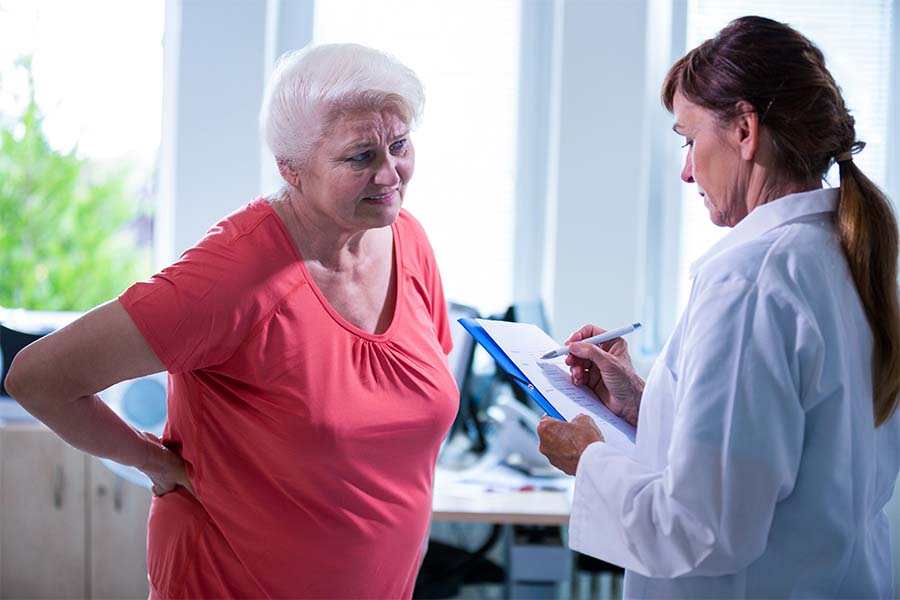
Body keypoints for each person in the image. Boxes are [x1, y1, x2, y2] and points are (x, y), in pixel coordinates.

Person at [5, 43, 459, 598]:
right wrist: (152, 460)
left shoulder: (406, 239)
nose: (390, 174)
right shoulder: (229, 276)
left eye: (399, 145)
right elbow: (38, 377)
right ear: (290, 169)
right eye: (360, 156)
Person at [537, 15, 900, 598]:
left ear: (745, 130)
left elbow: (701, 530)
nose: (685, 170)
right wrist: (642, 403)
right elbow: (782, 449)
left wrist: (590, 460)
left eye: (688, 138)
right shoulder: (846, 255)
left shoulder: (752, 279)